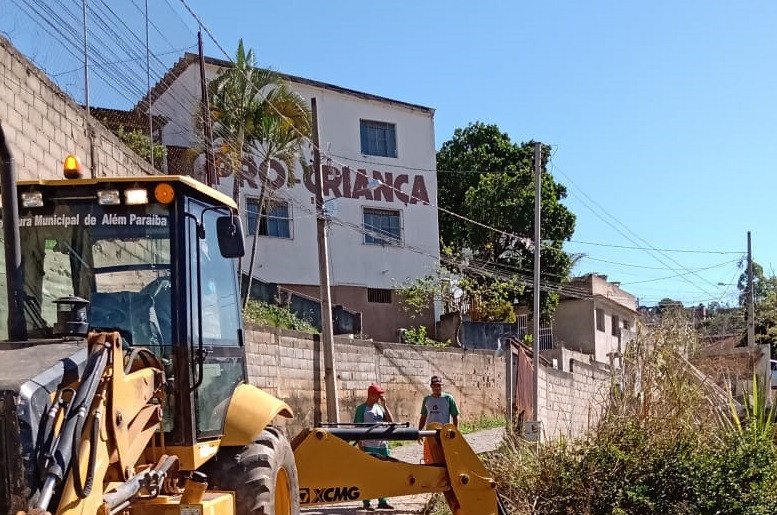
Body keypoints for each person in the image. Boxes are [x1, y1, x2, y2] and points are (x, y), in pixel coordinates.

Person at [354, 383, 395, 511]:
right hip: (368, 445)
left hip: (382, 445)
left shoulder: (380, 408)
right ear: (371, 395)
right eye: (378, 395)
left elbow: (391, 422)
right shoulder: (362, 409)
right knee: (368, 474)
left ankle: (383, 500)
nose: (379, 397)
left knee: (383, 473)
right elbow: (357, 429)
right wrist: (361, 447)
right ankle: (367, 501)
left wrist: (385, 405)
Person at [418, 375, 460, 464]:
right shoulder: (427, 399)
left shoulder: (448, 399)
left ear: (442, 386)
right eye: (435, 386)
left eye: (439, 385)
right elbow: (423, 417)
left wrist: (455, 431)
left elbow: (455, 416)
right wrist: (419, 432)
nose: (437, 388)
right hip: (429, 433)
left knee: (445, 457)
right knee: (430, 457)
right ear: (431, 386)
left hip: (443, 433)